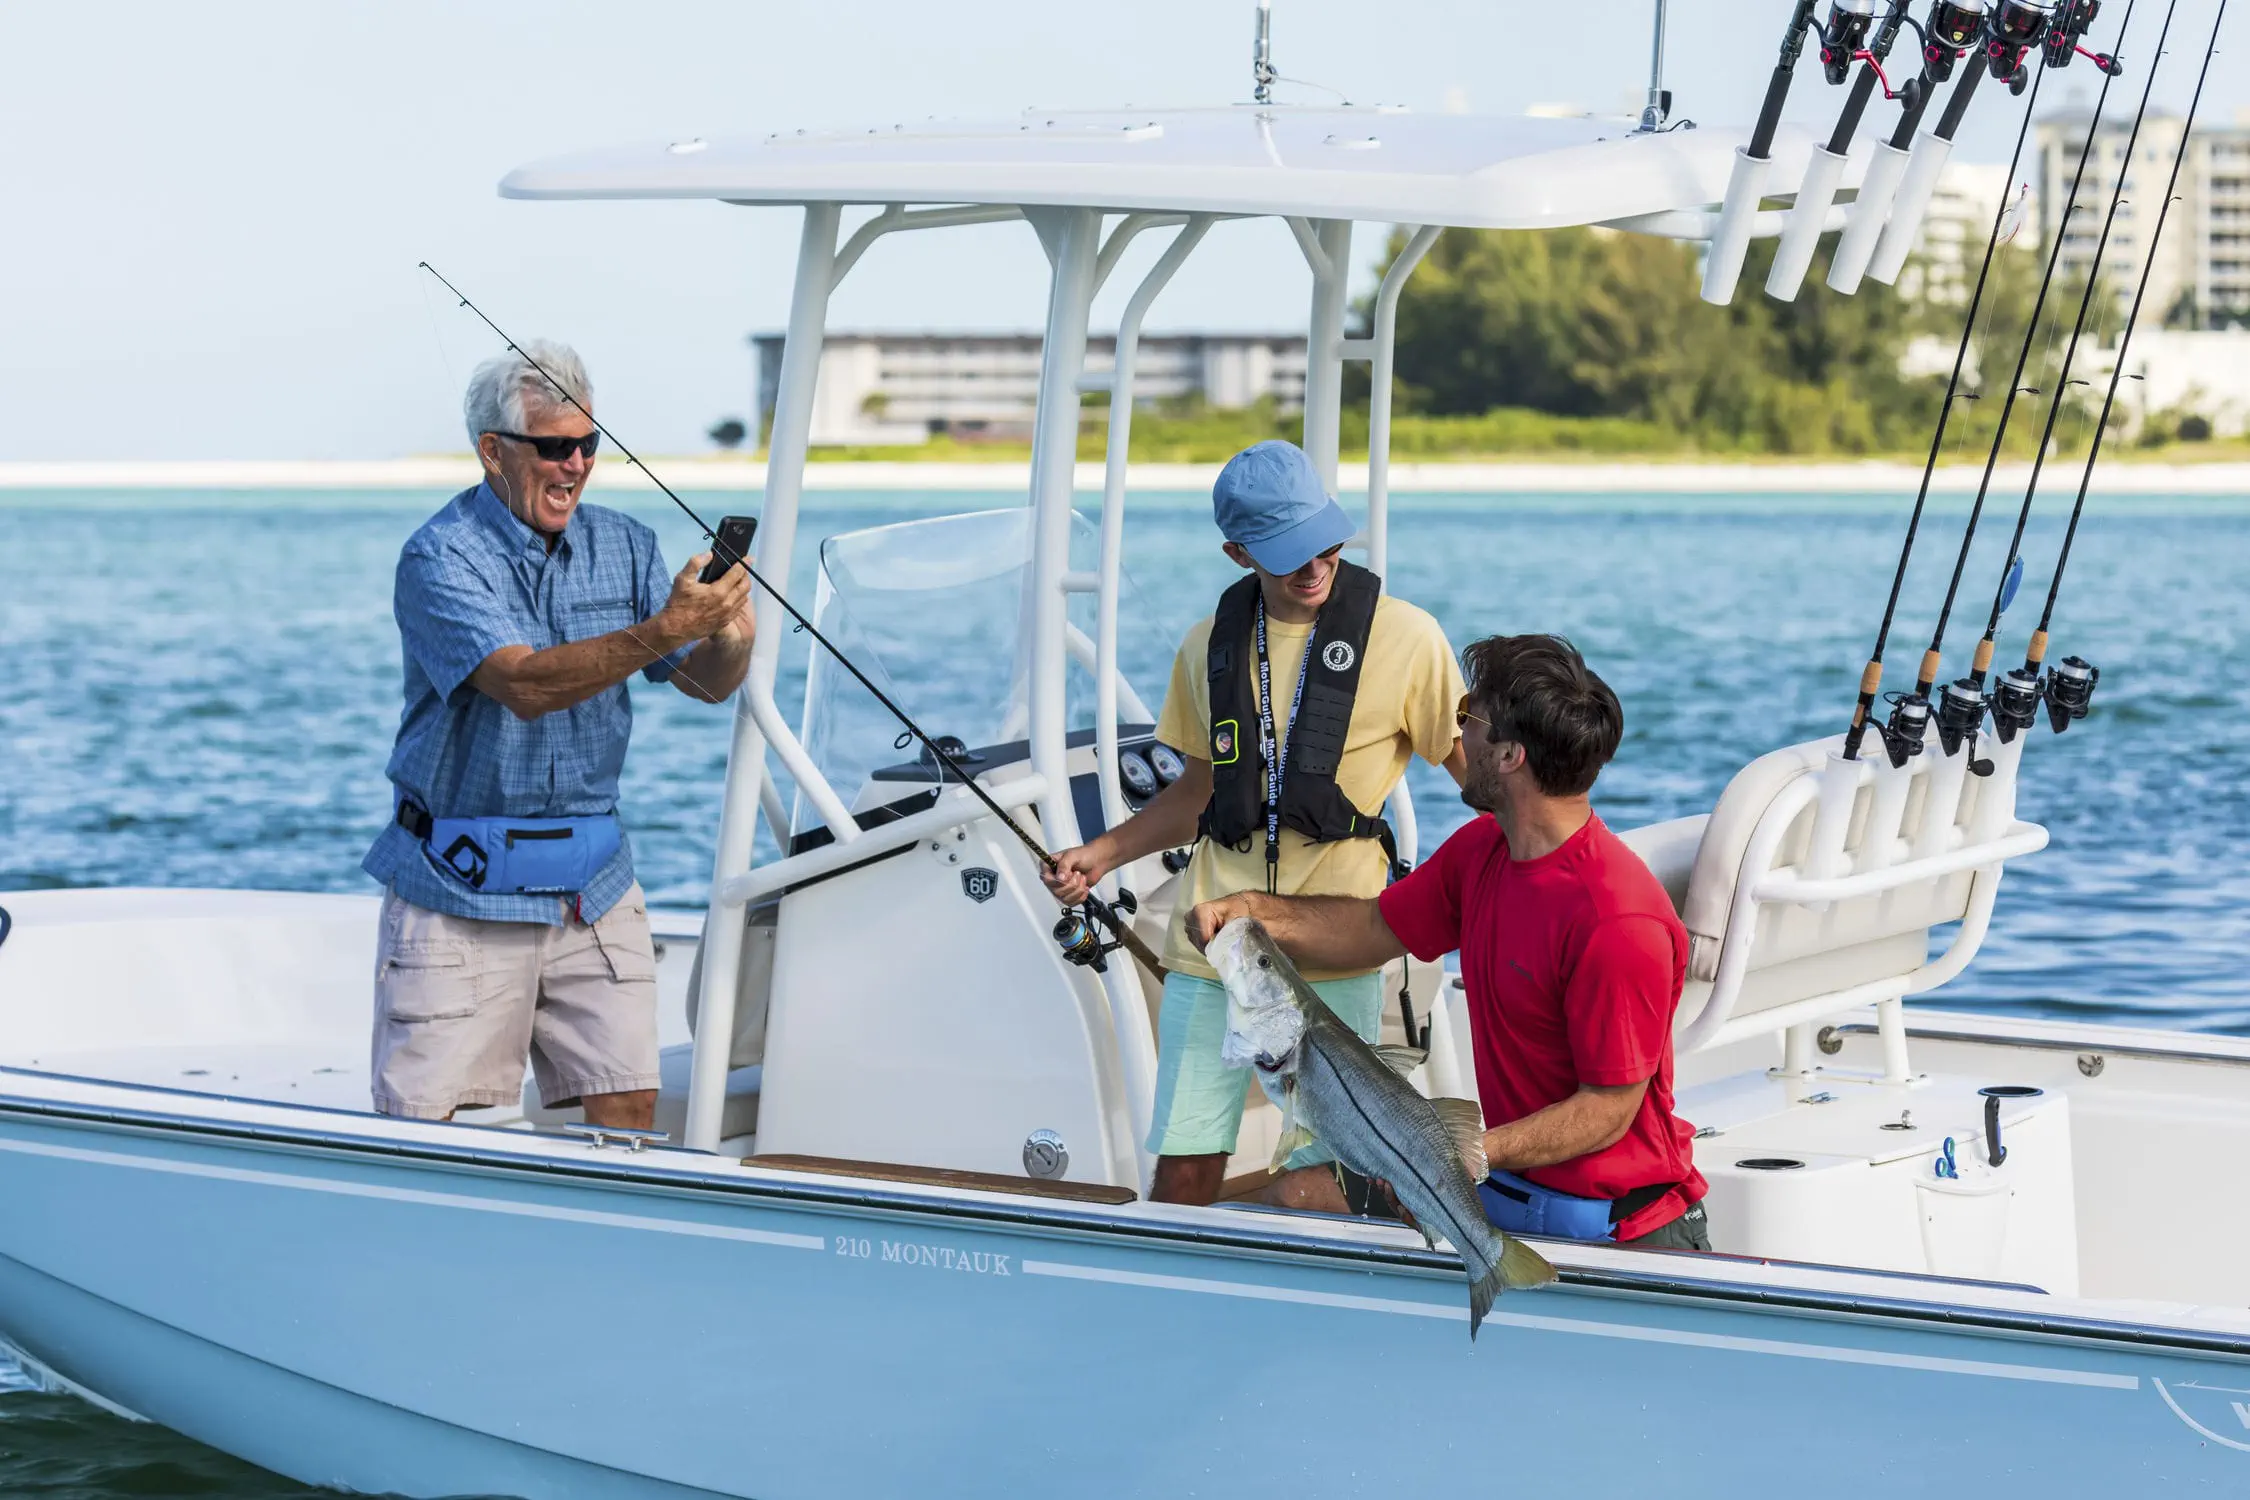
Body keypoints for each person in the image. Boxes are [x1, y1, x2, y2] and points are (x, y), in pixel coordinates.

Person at [1043, 440, 1466, 1205]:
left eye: (1323, 543)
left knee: (1323, 1175)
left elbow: (1480, 777)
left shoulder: (1409, 638)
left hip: (1339, 944)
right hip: (1215, 948)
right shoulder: (1207, 646)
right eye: (1287, 554)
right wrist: (1101, 854)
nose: (1313, 567)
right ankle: (1174, 1306)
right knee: (1184, 1161)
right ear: (1238, 553)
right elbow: (1199, 793)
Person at [1187, 633, 1710, 1250]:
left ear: (1510, 755)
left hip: (1622, 1228)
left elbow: (1606, 1111)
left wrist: (1465, 1152)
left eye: (1468, 718)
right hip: (1511, 1187)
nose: (1458, 737)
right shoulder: (1483, 850)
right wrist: (1254, 914)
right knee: (1299, 1200)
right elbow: (1374, 929)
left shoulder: (1617, 922)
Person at [360, 342, 757, 1128]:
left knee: (629, 1111)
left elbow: (706, 683)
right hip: (457, 892)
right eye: (553, 447)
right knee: (433, 1133)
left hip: (594, 889)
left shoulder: (628, 545)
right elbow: (524, 684)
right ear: (494, 451)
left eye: (588, 443)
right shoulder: (439, 557)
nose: (574, 464)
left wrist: (727, 632)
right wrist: (669, 625)